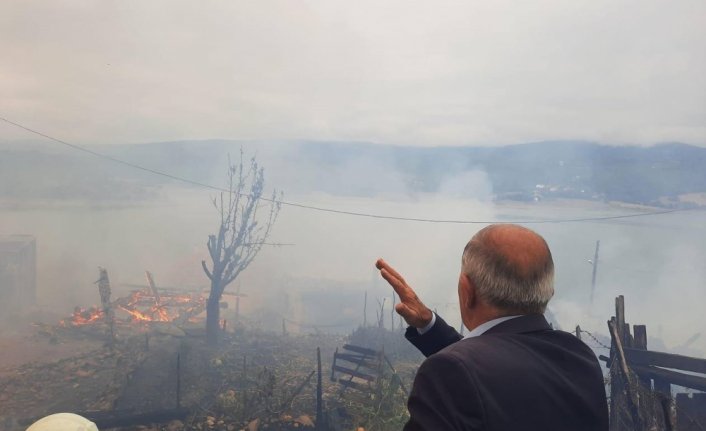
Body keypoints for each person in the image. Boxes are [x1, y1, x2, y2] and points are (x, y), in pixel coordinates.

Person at [376, 224, 608, 431]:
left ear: (467, 292)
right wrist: (429, 325)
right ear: (548, 293)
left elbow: (479, 373)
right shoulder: (579, 357)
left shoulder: (449, 372)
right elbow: (495, 374)